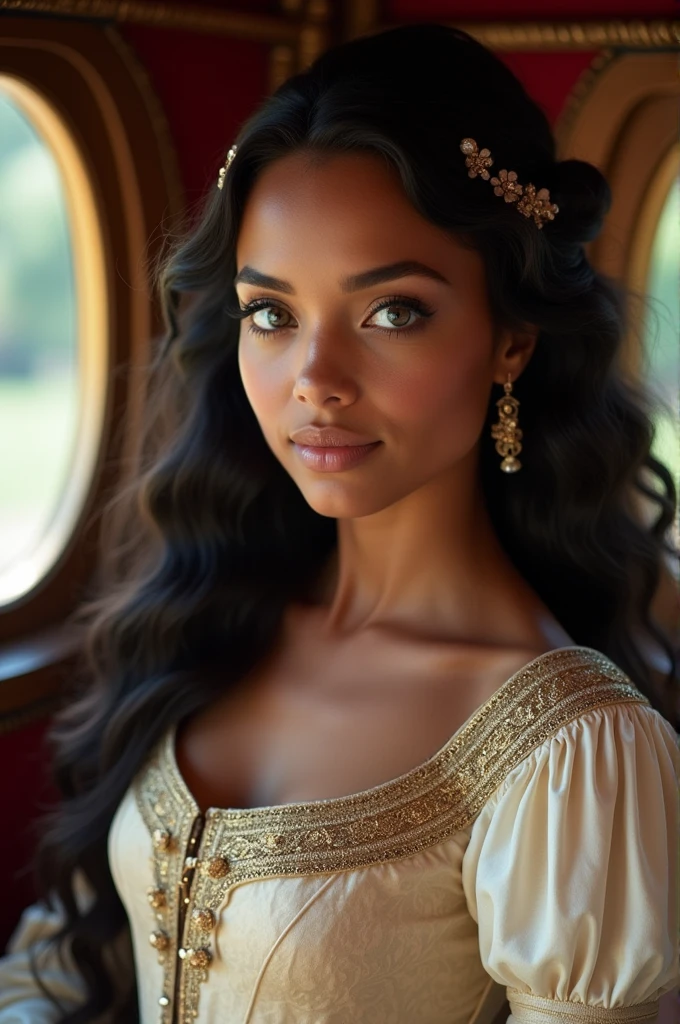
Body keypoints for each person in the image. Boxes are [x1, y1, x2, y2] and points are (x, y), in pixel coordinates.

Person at [1, 22, 678, 1024]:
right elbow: (55, 962)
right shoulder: (206, 613)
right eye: (271, 313)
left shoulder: (573, 752)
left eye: (390, 312)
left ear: (510, 340)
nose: (313, 382)